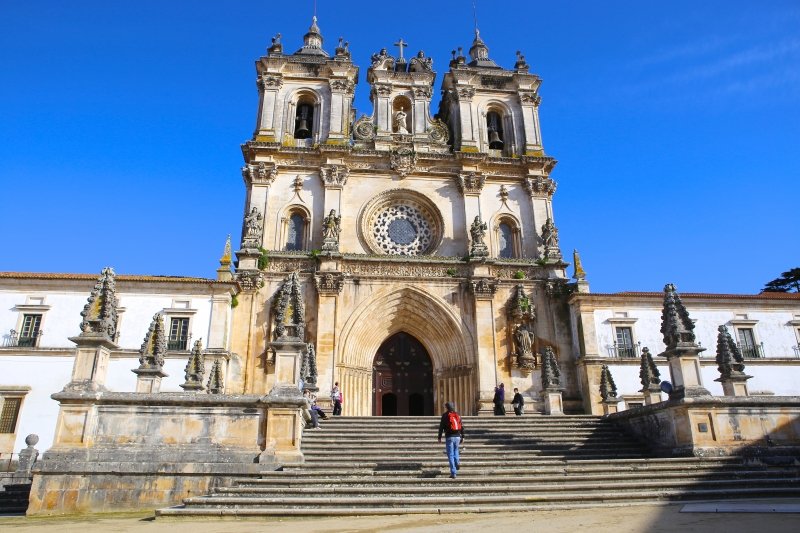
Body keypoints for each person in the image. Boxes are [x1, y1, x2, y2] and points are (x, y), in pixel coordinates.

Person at [437, 402, 464, 479]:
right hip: (458, 437)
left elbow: (441, 427)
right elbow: (461, 426)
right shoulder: (457, 415)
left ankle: (453, 473)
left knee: (450, 455)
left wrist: (439, 437)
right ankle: (457, 462)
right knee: (456, 450)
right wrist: (463, 436)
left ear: (447, 407)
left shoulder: (445, 415)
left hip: (449, 437)